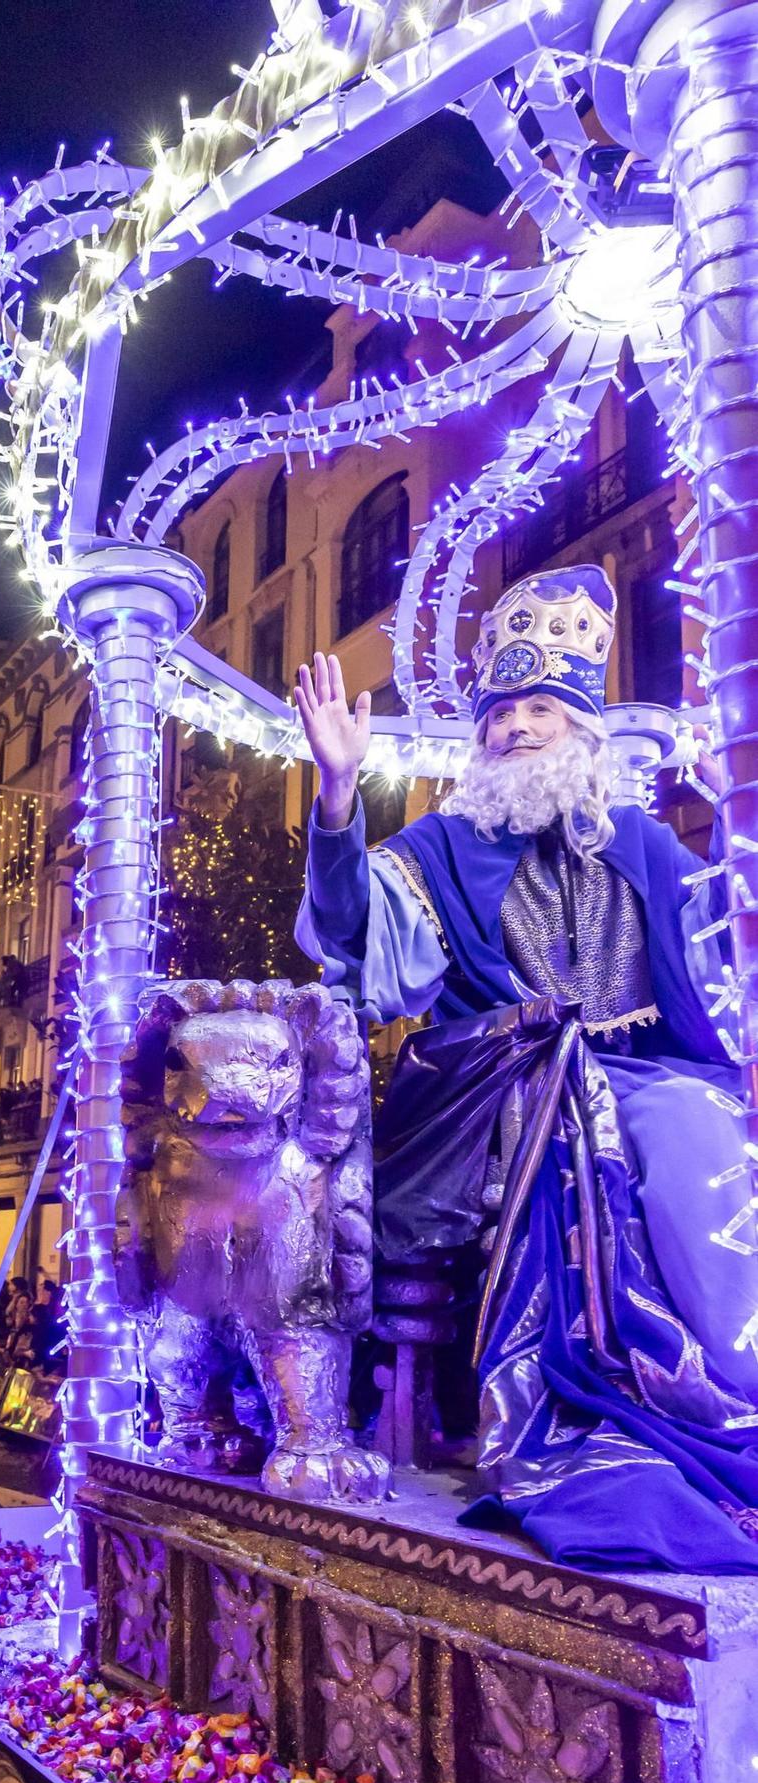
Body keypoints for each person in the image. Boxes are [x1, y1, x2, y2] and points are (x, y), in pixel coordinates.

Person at [296, 562, 758, 1573]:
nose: (512, 728)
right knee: (610, 1124)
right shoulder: (443, 845)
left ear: (583, 732)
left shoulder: (645, 844)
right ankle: (612, 1412)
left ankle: (734, 1393)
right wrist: (336, 796)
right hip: (498, 1090)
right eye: (499, 711)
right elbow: (356, 946)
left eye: (538, 708)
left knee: (706, 1126)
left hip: (649, 1080)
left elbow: (728, 960)